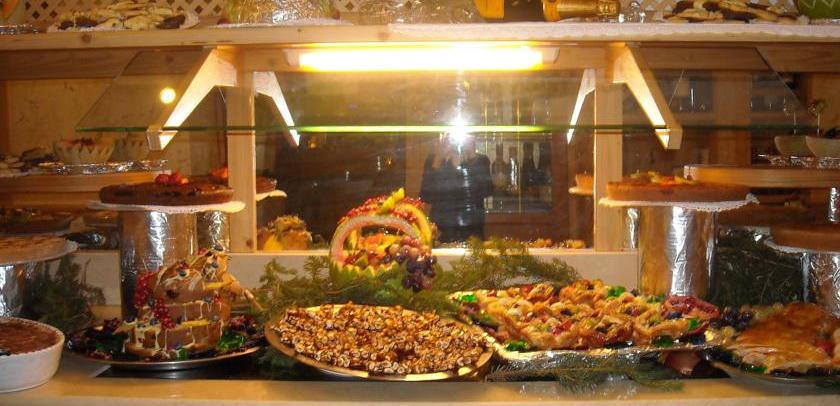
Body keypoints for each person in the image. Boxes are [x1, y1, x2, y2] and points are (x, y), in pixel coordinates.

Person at [420, 133, 492, 243]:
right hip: (441, 232)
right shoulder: (434, 161)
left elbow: (486, 191)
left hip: (472, 232)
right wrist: (438, 159)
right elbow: (426, 196)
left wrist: (472, 156)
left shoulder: (480, 160)